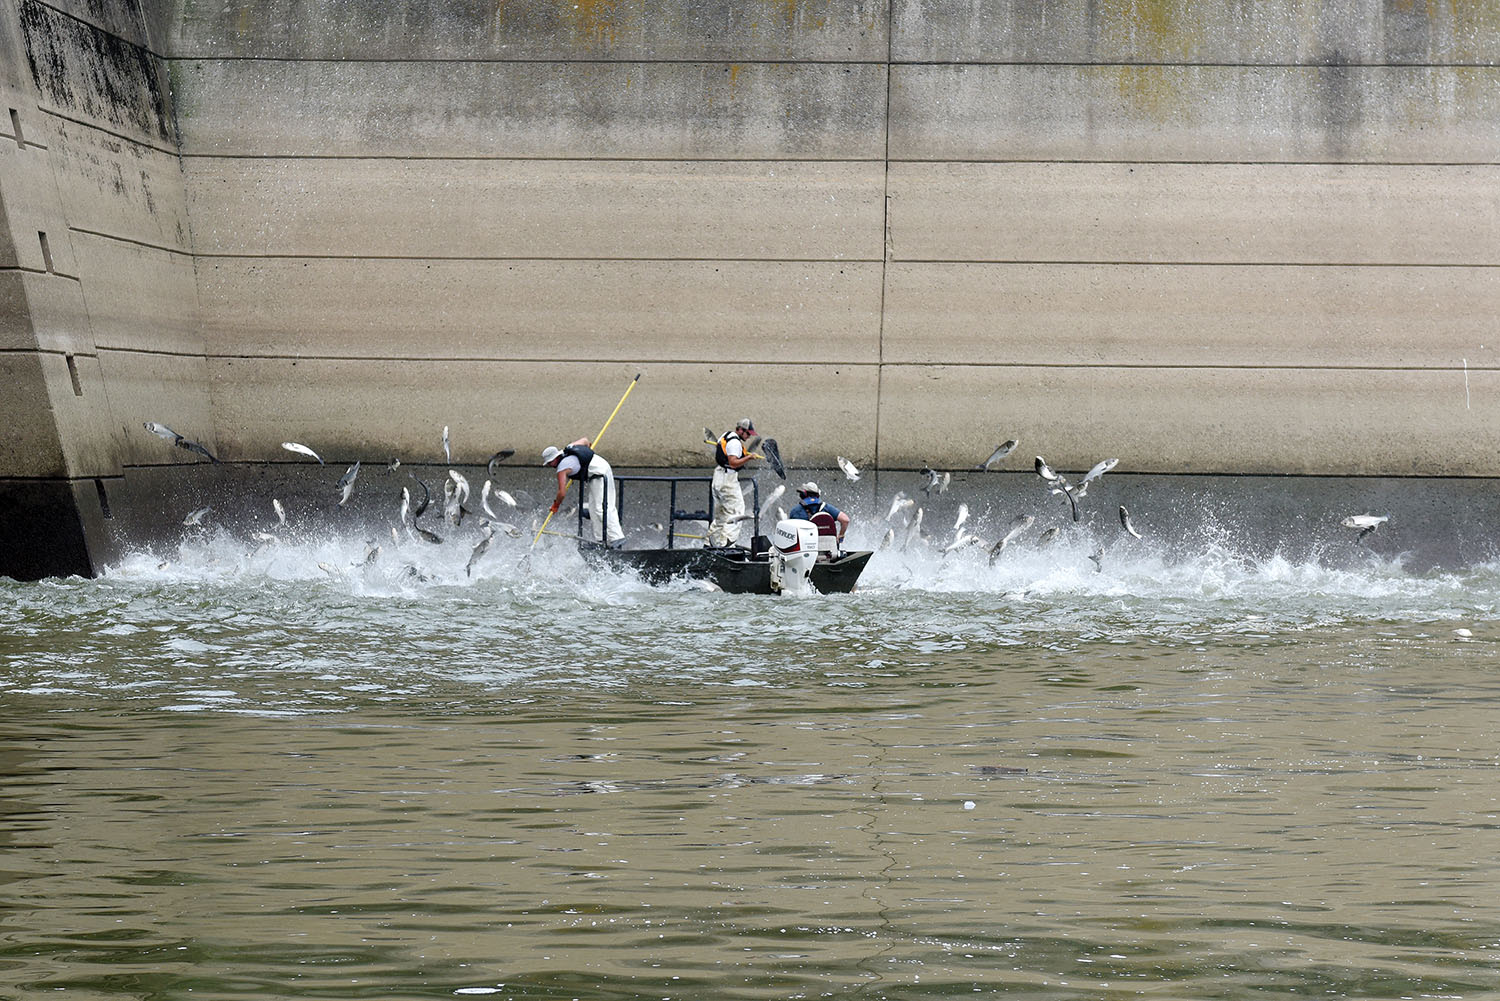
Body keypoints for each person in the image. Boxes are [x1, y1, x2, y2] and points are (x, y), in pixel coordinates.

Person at [542, 437, 624, 545]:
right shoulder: (570, 447)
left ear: (554, 459)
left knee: (602, 508)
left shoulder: (562, 468)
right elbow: (585, 440)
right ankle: (601, 540)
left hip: (600, 473)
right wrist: (587, 450)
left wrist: (556, 505)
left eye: (549, 463)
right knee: (594, 510)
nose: (549, 465)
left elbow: (561, 493)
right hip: (594, 476)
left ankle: (617, 538)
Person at [706, 417, 758, 548]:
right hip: (728, 480)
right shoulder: (734, 443)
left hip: (718, 477)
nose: (749, 437)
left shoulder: (726, 436)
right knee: (736, 513)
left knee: (721, 516)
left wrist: (746, 455)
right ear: (740, 430)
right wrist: (749, 458)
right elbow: (733, 463)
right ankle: (727, 546)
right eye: (747, 433)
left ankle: (710, 544)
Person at [790, 481, 850, 556]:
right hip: (830, 554)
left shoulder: (795, 511)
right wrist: (841, 536)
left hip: (806, 554)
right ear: (818, 495)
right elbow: (845, 520)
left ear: (803, 494)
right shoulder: (826, 508)